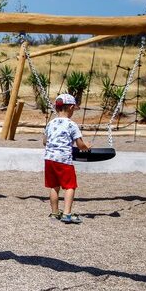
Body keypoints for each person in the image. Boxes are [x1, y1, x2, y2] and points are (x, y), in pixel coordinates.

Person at [42, 93, 91, 224]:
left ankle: (54, 212)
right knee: (70, 186)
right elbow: (80, 145)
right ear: (70, 107)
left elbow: (44, 141)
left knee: (54, 186)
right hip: (64, 160)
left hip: (49, 159)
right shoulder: (71, 124)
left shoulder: (50, 123)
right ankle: (67, 214)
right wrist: (87, 146)